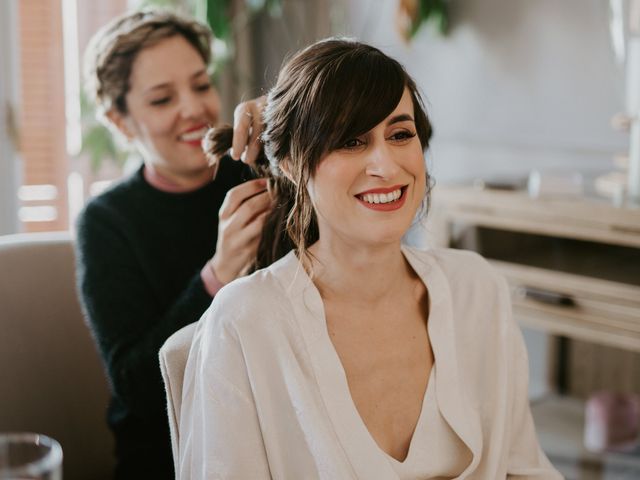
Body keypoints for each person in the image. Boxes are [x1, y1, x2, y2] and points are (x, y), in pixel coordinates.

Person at [178, 38, 564, 479]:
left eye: (401, 134)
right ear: (290, 164)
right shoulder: (246, 322)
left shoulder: (476, 289)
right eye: (351, 140)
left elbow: (523, 468)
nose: (386, 165)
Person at [76, 8, 271, 479]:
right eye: (162, 98)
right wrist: (218, 274)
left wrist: (297, 118)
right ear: (120, 122)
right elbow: (137, 388)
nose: (194, 109)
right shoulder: (106, 223)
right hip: (167, 457)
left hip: (274, 441)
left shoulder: (261, 173)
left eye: (201, 85)